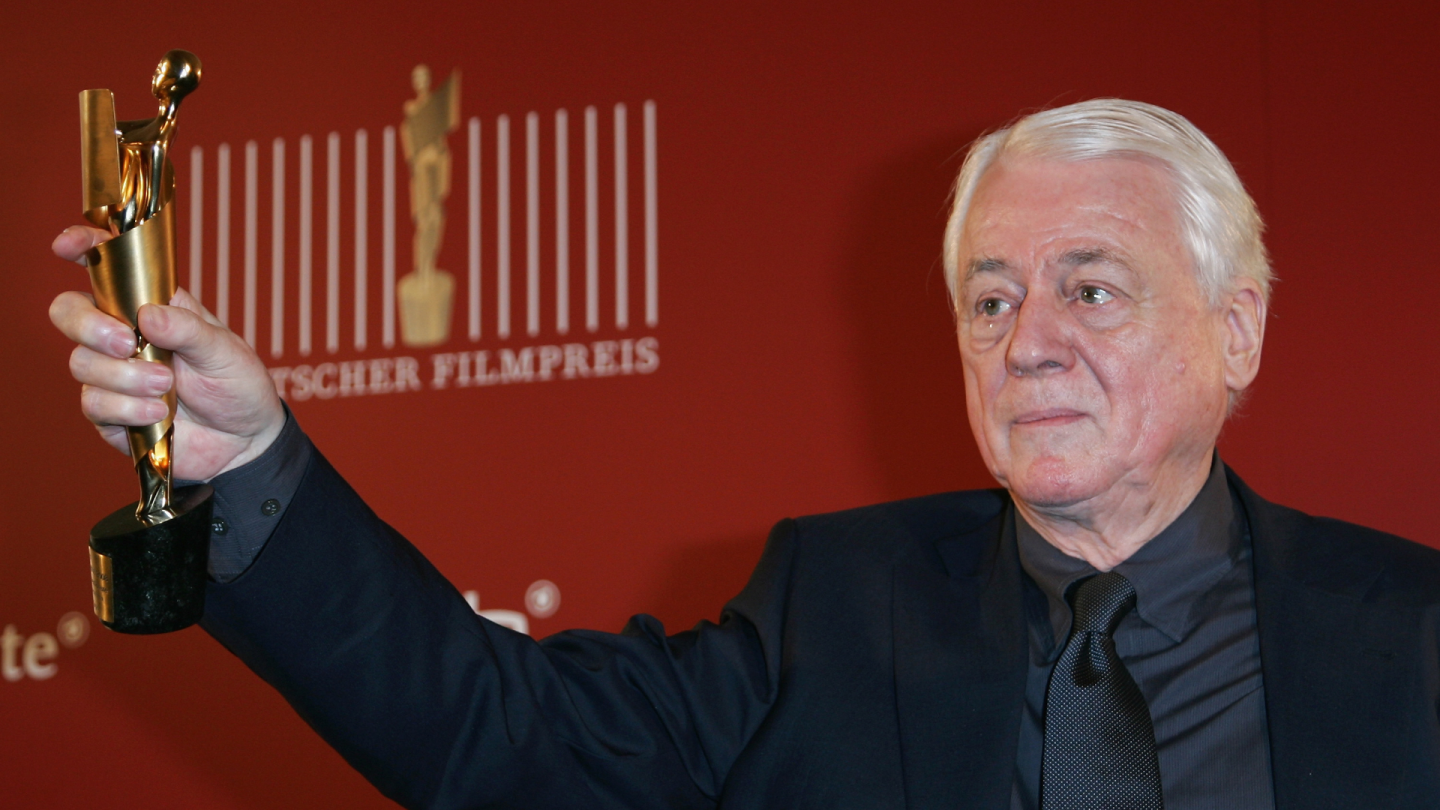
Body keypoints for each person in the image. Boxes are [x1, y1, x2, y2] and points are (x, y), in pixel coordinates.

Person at [49, 99, 1440, 809]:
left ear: (1235, 330)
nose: (1027, 343)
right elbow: (494, 732)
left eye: (1091, 287)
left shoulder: (1414, 636)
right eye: (991, 299)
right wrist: (249, 461)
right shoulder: (834, 603)